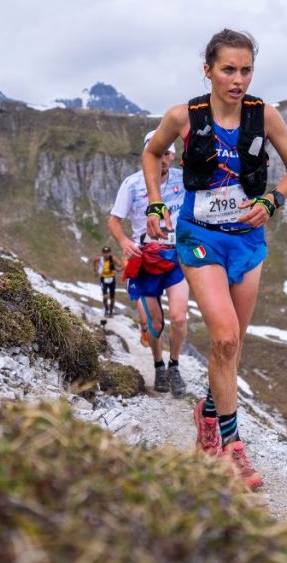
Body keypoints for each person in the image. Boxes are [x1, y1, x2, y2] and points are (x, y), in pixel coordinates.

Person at [143, 29, 287, 490]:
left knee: (231, 346)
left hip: (247, 242)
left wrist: (272, 200)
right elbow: (152, 154)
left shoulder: (264, 116)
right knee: (225, 335)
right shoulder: (183, 116)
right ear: (208, 70)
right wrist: (156, 204)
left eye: (246, 70)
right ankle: (233, 449)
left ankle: (208, 414)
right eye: (228, 70)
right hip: (200, 238)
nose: (238, 80)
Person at [107, 130, 189, 396]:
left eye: (167, 153)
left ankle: (174, 366)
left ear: (172, 156)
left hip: (175, 256)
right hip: (144, 257)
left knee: (178, 317)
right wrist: (124, 242)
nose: (162, 158)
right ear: (147, 154)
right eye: (157, 153)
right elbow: (114, 220)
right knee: (154, 324)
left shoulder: (183, 180)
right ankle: (158, 366)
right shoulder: (132, 184)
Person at [92, 246, 118, 317]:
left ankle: (111, 312)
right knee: (105, 296)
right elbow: (94, 261)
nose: (106, 254)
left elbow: (121, 265)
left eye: (107, 253)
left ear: (110, 253)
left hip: (112, 279)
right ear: (102, 253)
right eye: (104, 253)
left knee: (112, 298)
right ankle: (106, 310)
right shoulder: (99, 258)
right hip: (103, 279)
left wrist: (116, 270)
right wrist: (95, 270)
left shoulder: (113, 258)